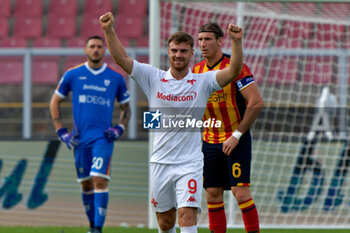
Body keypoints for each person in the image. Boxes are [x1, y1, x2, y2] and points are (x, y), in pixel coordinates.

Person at [99, 12, 243, 233]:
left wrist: (236, 42)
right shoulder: (153, 78)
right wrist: (108, 29)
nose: (178, 55)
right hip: (160, 163)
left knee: (187, 217)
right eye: (174, 50)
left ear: (191, 54)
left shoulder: (202, 81)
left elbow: (233, 70)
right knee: (165, 224)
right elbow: (122, 60)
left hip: (190, 164)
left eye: (183, 51)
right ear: (168, 52)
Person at [49, 35, 131, 233]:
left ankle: (97, 229)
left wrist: (119, 128)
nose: (95, 50)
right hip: (79, 139)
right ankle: (92, 225)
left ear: (105, 50)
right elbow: (54, 102)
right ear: (86, 50)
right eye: (92, 46)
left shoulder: (115, 78)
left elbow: (126, 108)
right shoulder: (73, 74)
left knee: (99, 180)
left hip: (102, 138)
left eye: (99, 47)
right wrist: (61, 131)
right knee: (86, 184)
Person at [192, 22, 264, 233]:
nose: (203, 44)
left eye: (208, 39)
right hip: (209, 142)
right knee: (212, 194)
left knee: (240, 193)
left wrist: (237, 135)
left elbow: (256, 102)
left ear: (219, 41)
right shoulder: (196, 70)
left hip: (235, 140)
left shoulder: (235, 67)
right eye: (200, 40)